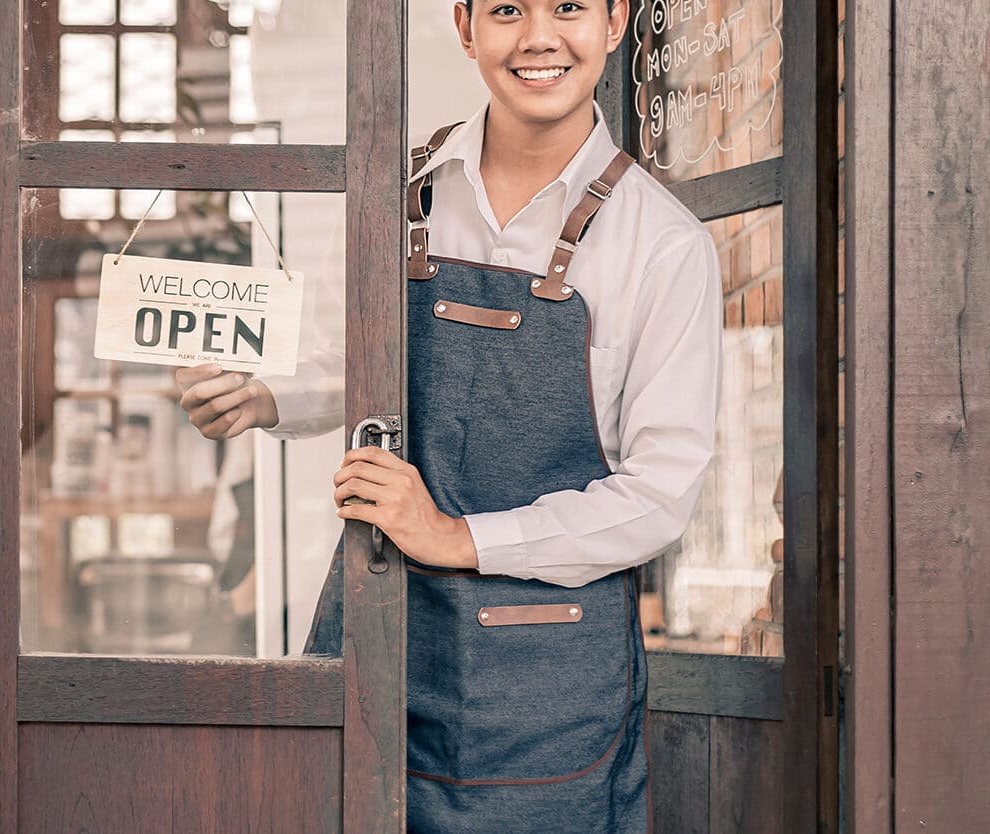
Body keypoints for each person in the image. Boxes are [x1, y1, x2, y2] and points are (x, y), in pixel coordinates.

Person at [177, 0, 721, 830]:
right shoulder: (397, 194)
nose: (539, 37)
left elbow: (659, 495)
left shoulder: (664, 244)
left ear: (614, 24)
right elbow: (348, 359)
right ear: (464, 27)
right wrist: (264, 397)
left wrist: (455, 536)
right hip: (388, 632)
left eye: (568, 7)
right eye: (507, 9)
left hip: (550, 689)